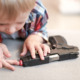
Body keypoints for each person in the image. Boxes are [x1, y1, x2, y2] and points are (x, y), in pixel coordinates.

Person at [0, 0, 50, 71]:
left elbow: (41, 30)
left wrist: (34, 38)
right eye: (2, 24)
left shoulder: (37, 12)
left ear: (30, 10)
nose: (11, 30)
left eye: (20, 22)